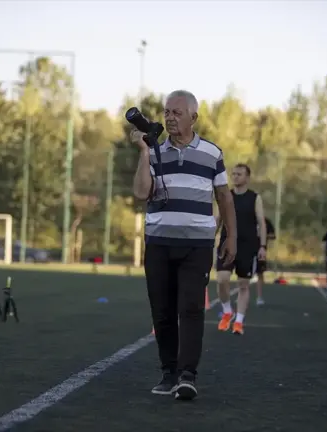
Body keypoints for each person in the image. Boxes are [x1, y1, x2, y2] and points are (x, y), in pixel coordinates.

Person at [131, 89, 237, 401]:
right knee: (162, 311)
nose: (169, 117)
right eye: (166, 112)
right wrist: (143, 152)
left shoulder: (212, 153)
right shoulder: (155, 151)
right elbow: (140, 192)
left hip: (197, 246)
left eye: (177, 112)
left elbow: (224, 197)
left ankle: (188, 374)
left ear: (194, 117)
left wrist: (231, 236)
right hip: (159, 244)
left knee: (190, 307)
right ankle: (169, 373)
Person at [216, 163, 267, 335]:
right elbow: (217, 219)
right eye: (233, 174)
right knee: (222, 279)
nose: (235, 176)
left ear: (247, 177)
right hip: (226, 244)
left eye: (239, 174)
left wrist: (262, 246)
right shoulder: (225, 196)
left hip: (248, 246)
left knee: (243, 285)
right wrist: (209, 238)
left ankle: (238, 322)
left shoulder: (255, 198)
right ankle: (227, 310)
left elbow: (261, 223)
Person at [254, 217, 275, 306]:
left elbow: (273, 235)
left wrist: (263, 234)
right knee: (242, 273)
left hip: (261, 251)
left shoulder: (266, 221)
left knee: (260, 273)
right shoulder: (247, 219)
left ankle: (259, 297)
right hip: (247, 249)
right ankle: (241, 295)